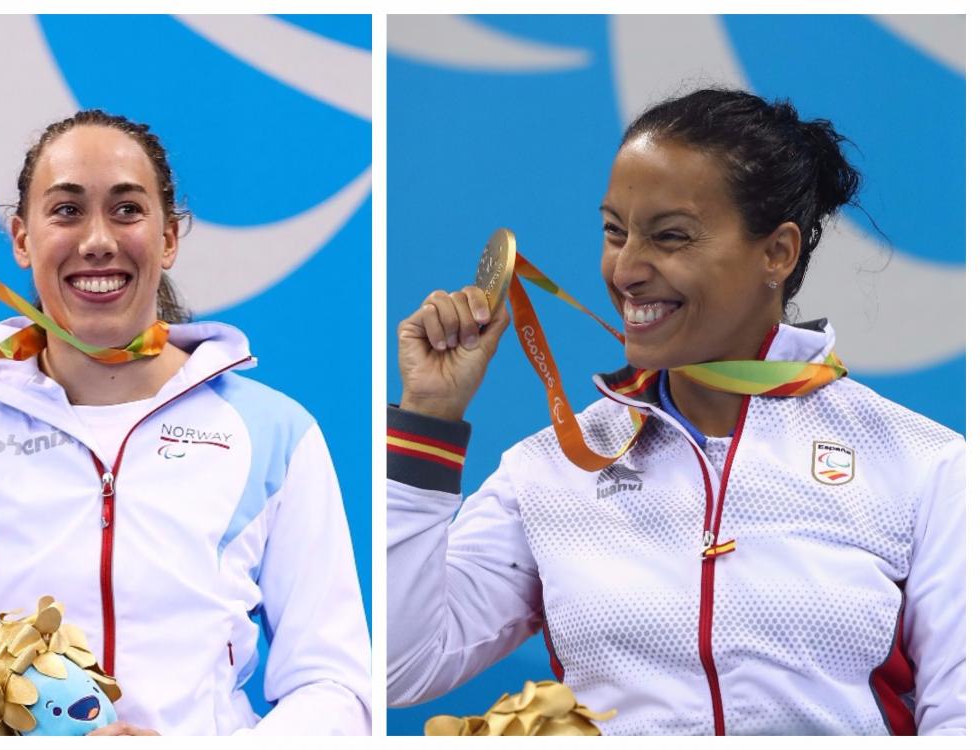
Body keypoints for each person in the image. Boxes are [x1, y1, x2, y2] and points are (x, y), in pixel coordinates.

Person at [387, 89, 963, 735]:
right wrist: (427, 419)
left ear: (777, 253)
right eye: (614, 232)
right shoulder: (548, 471)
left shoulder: (922, 464)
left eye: (671, 237)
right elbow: (400, 667)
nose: (627, 269)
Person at [0, 110, 370, 735]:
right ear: (21, 238)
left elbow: (336, 688)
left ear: (169, 238)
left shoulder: (274, 433)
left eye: (127, 209)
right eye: (66, 210)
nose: (98, 239)